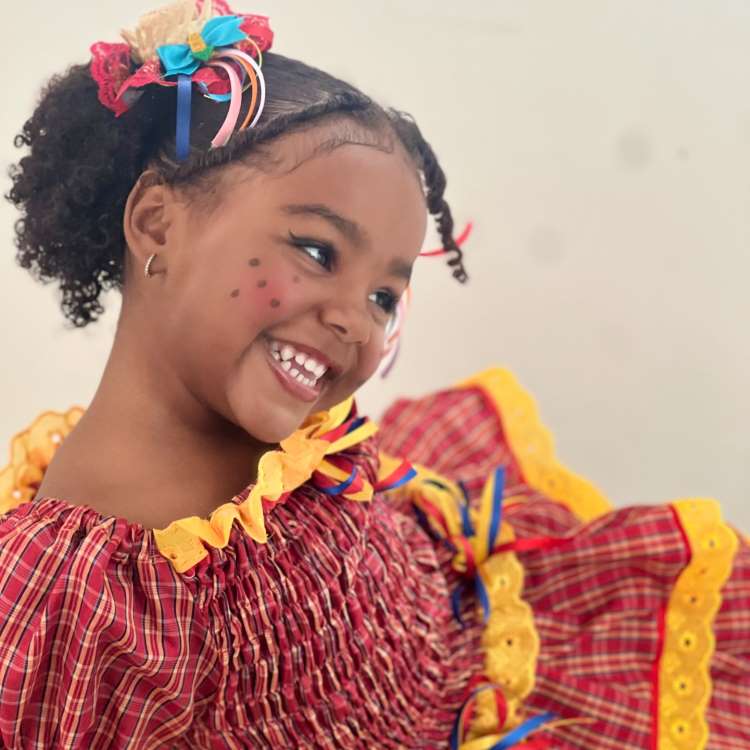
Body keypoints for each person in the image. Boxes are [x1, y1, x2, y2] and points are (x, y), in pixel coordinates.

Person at [1, 1, 747, 747]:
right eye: (318, 252)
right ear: (158, 224)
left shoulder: (302, 441)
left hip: (460, 632)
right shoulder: (65, 598)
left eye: (384, 296)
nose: (358, 323)